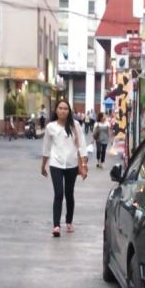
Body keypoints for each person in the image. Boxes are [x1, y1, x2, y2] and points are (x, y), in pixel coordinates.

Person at [41, 98, 88, 237]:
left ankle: (69, 221)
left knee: (69, 194)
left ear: (69, 111)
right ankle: (56, 225)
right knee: (58, 194)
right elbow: (46, 147)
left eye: (65, 108)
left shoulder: (75, 125)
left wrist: (83, 165)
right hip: (56, 164)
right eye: (60, 108)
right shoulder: (50, 127)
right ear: (56, 110)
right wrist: (43, 165)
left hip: (72, 164)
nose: (63, 111)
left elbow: (82, 146)